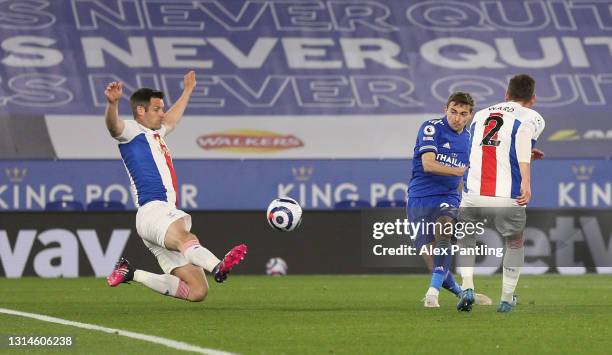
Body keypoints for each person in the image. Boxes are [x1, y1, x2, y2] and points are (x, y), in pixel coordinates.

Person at [104, 71, 247, 302]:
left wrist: (188, 89)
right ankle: (217, 266)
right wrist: (112, 105)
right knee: (184, 236)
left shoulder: (156, 133)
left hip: (154, 218)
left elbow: (172, 119)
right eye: (157, 109)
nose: (162, 113)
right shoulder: (131, 131)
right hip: (154, 209)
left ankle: (131, 272)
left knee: (197, 291)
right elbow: (113, 127)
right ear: (141, 110)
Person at [456, 74, 545, 313]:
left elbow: (481, 147)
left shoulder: (479, 116)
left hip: (474, 191)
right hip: (508, 195)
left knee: (466, 238)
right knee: (514, 242)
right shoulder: (532, 117)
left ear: (506, 94)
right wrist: (527, 183)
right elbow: (523, 146)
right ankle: (506, 298)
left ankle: (467, 287)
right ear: (533, 99)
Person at [407, 92, 491, 308]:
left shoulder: (470, 139)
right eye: (453, 112)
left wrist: (463, 199)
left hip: (448, 198)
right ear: (446, 109)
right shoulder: (431, 128)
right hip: (420, 198)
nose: (457, 118)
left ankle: (431, 293)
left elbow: (469, 174)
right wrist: (458, 171)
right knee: (432, 260)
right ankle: (461, 292)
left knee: (445, 228)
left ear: (470, 116)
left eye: (463, 114)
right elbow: (428, 164)